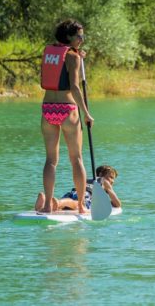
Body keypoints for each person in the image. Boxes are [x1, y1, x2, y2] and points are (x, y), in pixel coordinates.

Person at [39, 19, 94, 213]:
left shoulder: (49, 53)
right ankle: (80, 205)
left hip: (48, 108)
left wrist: (78, 55)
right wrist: (86, 113)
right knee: (76, 159)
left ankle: (47, 205)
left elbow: (50, 76)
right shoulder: (73, 57)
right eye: (79, 35)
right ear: (69, 36)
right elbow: (74, 87)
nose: (82, 39)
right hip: (67, 109)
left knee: (51, 160)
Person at [34, 165, 121, 212]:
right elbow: (117, 204)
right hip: (86, 195)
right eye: (111, 177)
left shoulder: (87, 179)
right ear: (101, 174)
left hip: (73, 192)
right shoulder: (103, 181)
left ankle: (44, 204)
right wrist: (109, 190)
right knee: (77, 204)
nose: (112, 181)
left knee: (67, 206)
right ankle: (59, 203)